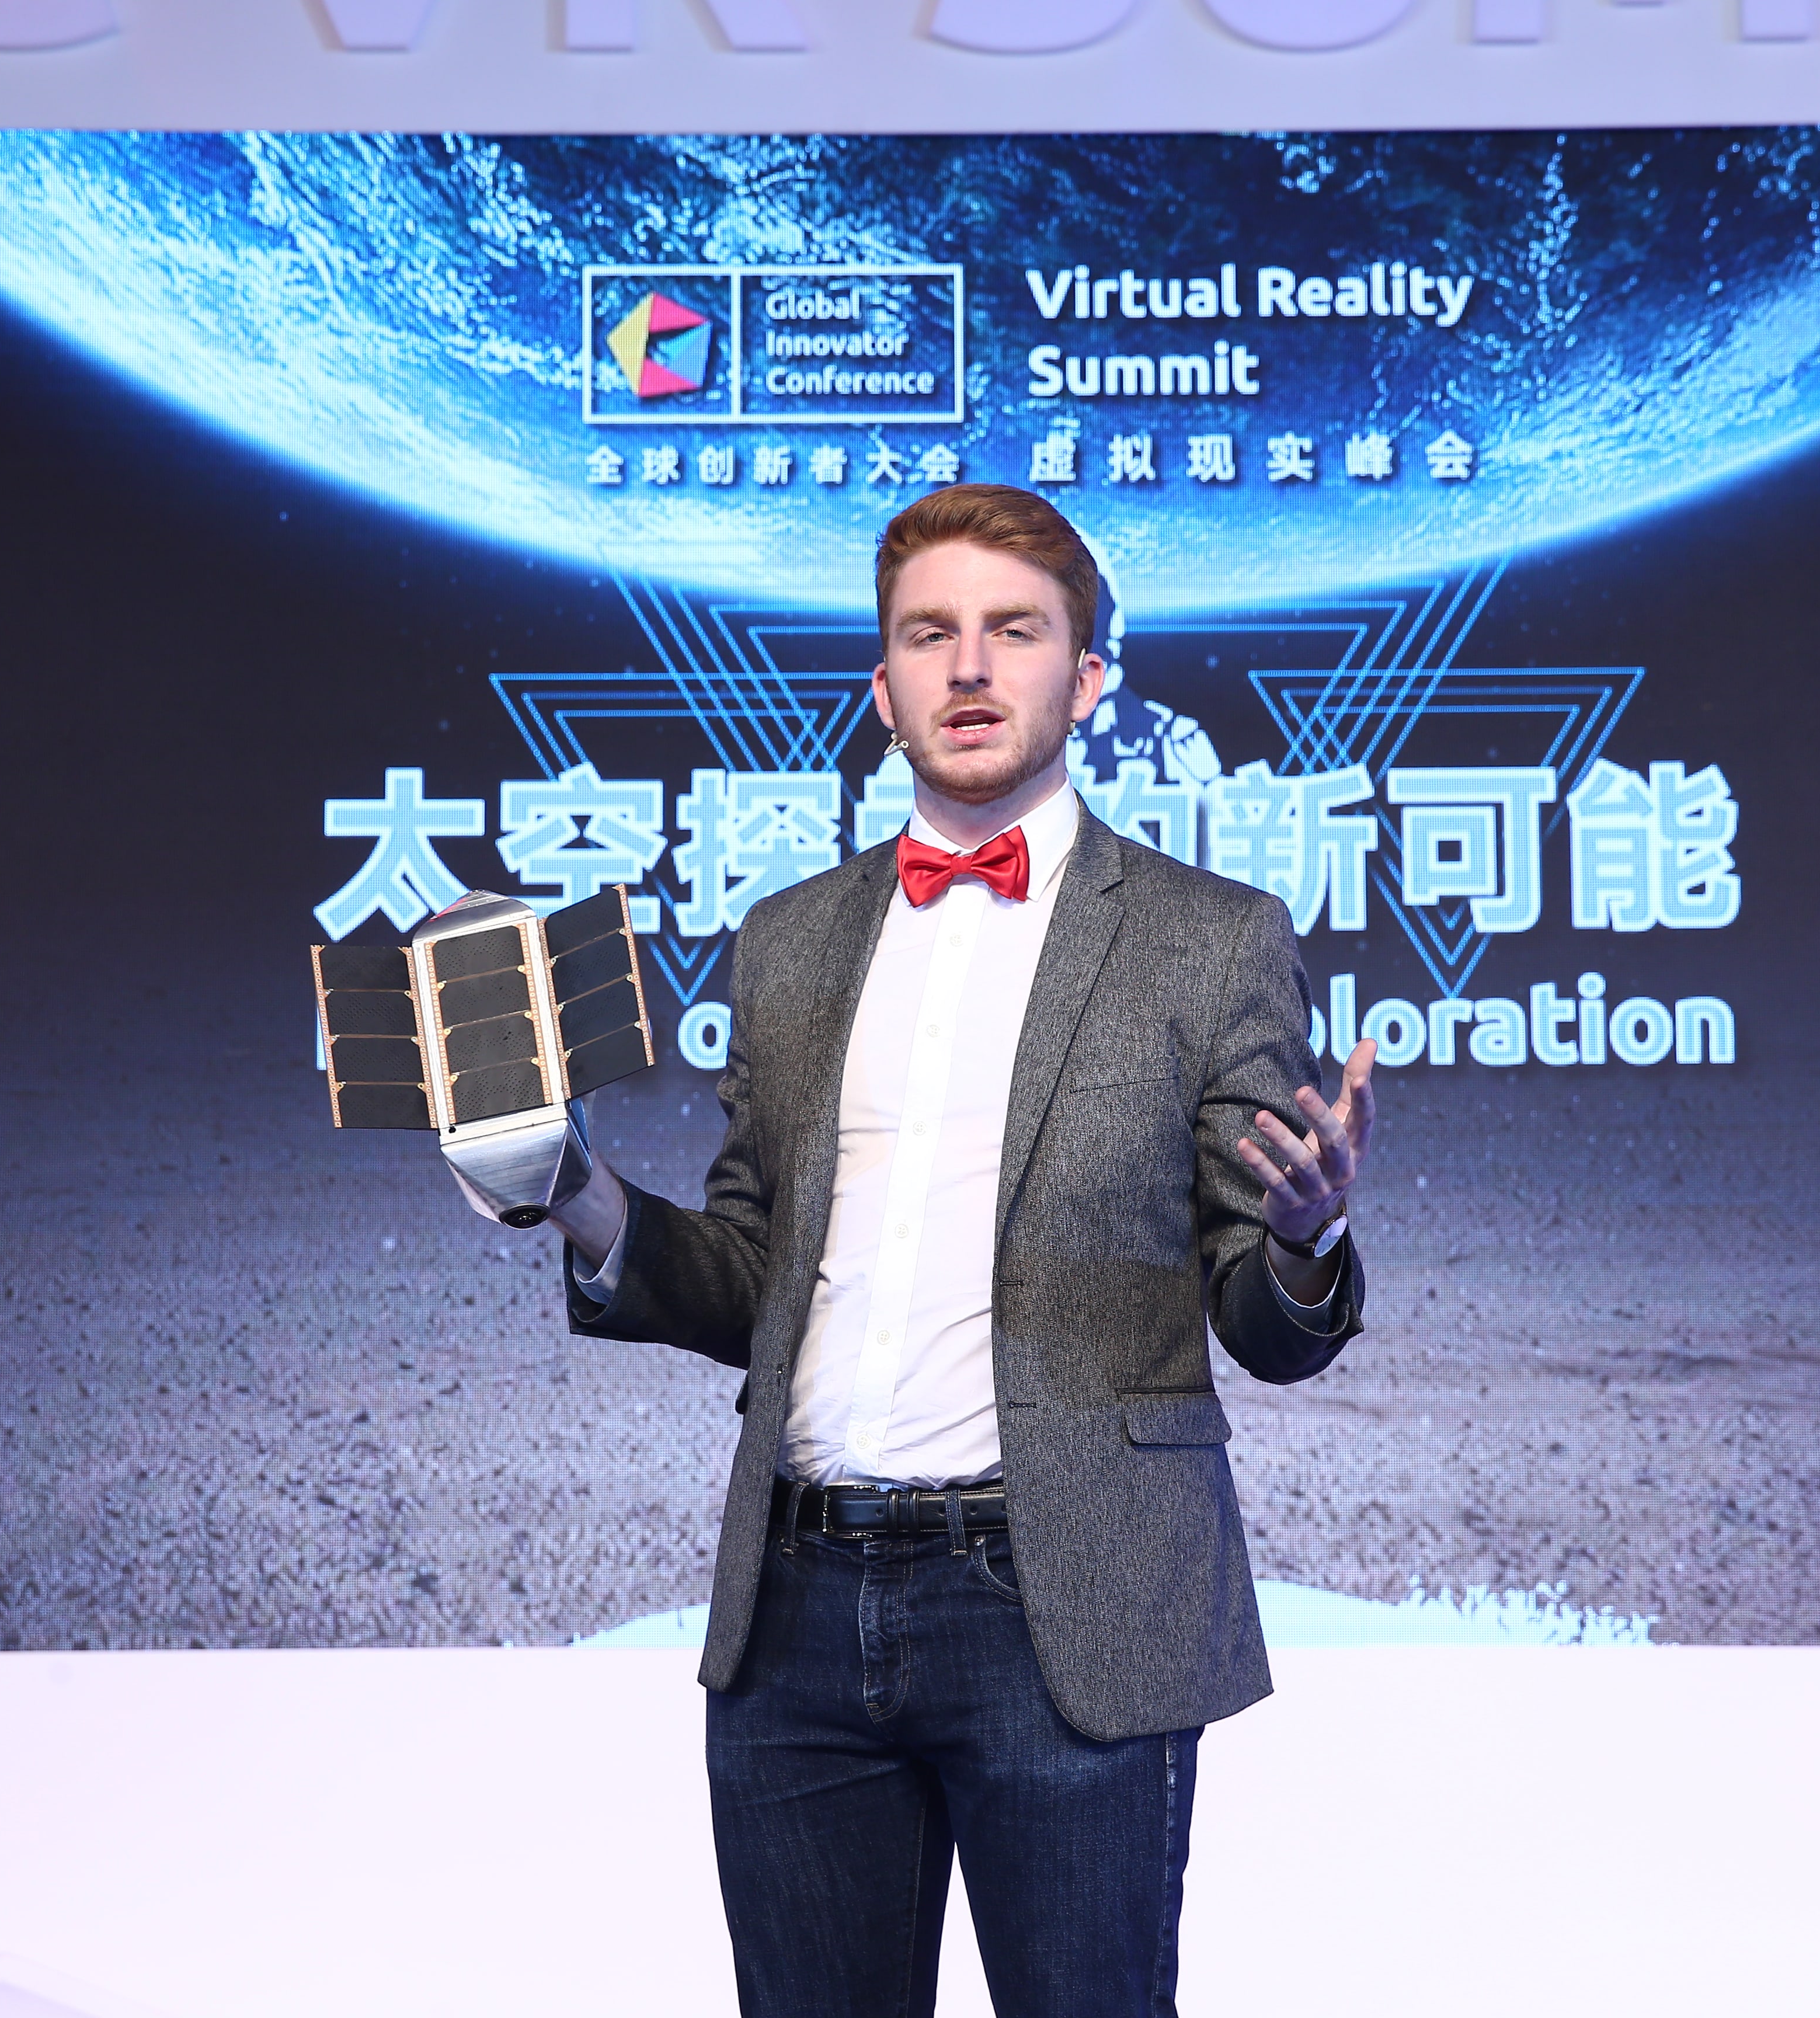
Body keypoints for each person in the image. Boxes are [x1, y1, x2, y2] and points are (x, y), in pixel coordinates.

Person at [542, 483, 1376, 2018]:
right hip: (796, 1612)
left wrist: (1307, 1238)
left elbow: (1263, 1321)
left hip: (1063, 1604)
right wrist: (577, 1192)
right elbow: (750, 1279)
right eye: (930, 635)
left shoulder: (1209, 937)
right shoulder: (790, 939)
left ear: (1088, 678)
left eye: (1015, 631)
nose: (971, 666)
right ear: (883, 686)